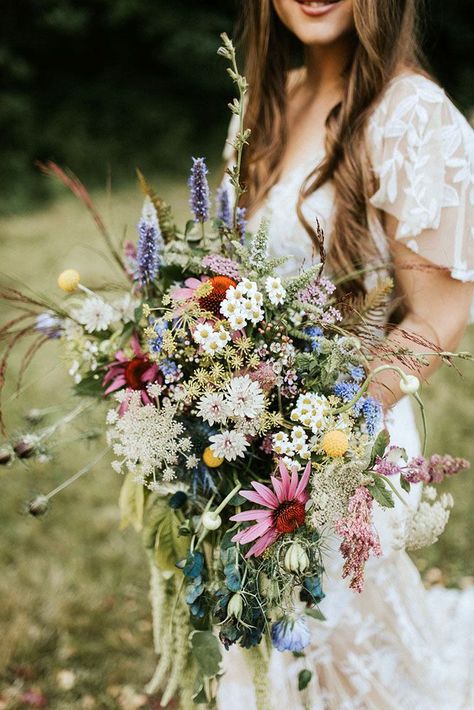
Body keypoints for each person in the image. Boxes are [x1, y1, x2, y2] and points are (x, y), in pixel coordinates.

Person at [217, 1, 474, 708]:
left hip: (347, 443)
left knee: (334, 645)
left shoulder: (413, 117)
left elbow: (437, 317)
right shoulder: (270, 102)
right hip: (244, 438)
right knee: (257, 639)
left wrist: (324, 432)